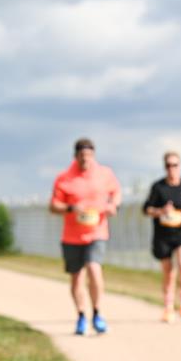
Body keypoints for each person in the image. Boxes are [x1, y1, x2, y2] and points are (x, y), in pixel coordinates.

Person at [49, 138, 122, 336]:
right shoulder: (64, 178)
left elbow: (116, 193)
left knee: (94, 269)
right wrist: (72, 207)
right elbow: (53, 206)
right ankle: (81, 315)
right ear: (75, 156)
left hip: (97, 231)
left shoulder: (105, 174)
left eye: (89, 156)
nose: (85, 160)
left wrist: (112, 205)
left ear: (93, 156)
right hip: (72, 235)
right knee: (76, 277)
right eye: (82, 156)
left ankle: (97, 313)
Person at [143, 151, 181, 323]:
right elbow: (146, 209)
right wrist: (160, 211)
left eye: (174, 165)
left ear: (180, 166)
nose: (171, 168)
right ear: (164, 167)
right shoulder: (158, 187)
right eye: (168, 165)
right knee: (169, 272)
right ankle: (168, 307)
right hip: (163, 234)